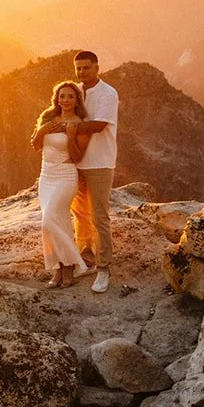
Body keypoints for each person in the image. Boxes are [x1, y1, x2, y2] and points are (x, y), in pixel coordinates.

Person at [29, 81, 91, 288]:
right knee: (60, 222)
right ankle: (60, 269)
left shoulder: (79, 123)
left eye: (70, 96)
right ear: (56, 98)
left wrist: (72, 138)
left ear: (76, 100)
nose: (65, 100)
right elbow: (36, 146)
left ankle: (73, 263)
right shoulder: (48, 118)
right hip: (46, 175)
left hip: (65, 174)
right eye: (62, 96)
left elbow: (77, 157)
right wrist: (42, 130)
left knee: (48, 221)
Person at [69, 50, 120, 292]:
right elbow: (62, 110)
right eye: (78, 68)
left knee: (99, 215)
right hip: (77, 162)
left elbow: (99, 125)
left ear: (97, 67)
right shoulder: (76, 92)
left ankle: (103, 268)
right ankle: (86, 256)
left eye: (86, 67)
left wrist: (69, 127)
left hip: (100, 162)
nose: (82, 72)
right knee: (80, 214)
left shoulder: (108, 93)